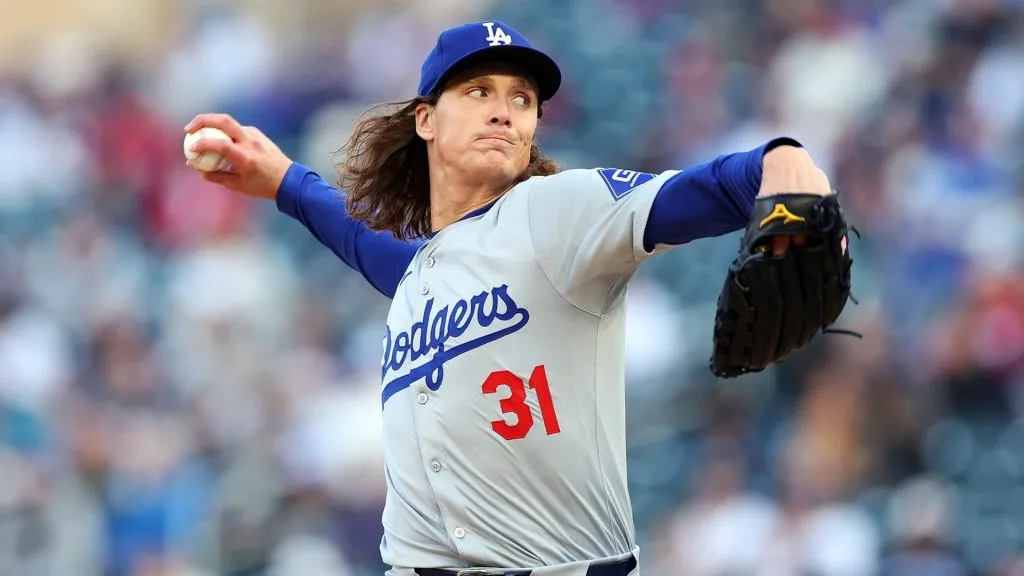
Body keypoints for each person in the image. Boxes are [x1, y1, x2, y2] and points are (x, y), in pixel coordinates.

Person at [184, 20, 831, 576]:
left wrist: (781, 159)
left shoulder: (557, 214)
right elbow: (364, 243)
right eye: (479, 91)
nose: (504, 109)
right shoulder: (419, 274)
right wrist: (285, 181)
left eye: (521, 98)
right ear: (426, 120)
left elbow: (705, 189)